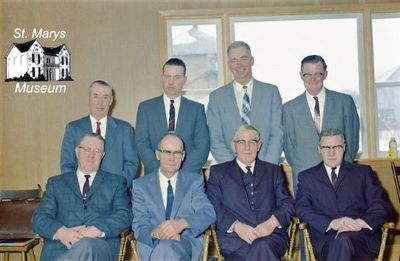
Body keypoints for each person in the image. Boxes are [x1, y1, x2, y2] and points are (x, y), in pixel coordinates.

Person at [295, 128, 392, 261]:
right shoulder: (307, 177)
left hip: (361, 238)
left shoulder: (363, 173)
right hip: (326, 241)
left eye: (337, 147)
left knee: (343, 239)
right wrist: (331, 223)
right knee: (340, 241)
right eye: (326, 147)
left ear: (344, 148)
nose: (331, 152)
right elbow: (301, 208)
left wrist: (361, 223)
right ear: (319, 149)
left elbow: (382, 206)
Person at [32, 133, 132, 261]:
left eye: (97, 151)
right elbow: (39, 218)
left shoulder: (116, 182)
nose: (91, 154)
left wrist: (97, 230)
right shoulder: (56, 183)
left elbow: (125, 215)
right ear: (77, 152)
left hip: (99, 246)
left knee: (86, 245)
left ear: (102, 155)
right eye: (87, 149)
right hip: (60, 248)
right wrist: (62, 233)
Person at [207, 125, 294, 260]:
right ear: (233, 146)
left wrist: (271, 223)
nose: (247, 147)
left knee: (263, 246)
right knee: (261, 250)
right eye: (242, 142)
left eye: (252, 142)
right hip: (235, 242)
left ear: (259, 145)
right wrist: (236, 226)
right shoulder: (219, 172)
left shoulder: (273, 171)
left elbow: (287, 204)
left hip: (271, 238)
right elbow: (212, 206)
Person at [131, 134, 216, 260]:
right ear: (158, 154)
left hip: (184, 243)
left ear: (183, 156)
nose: (172, 158)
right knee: (164, 248)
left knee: (165, 249)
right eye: (167, 152)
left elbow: (208, 213)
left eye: (177, 152)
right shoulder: (140, 186)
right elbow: (139, 224)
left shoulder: (194, 182)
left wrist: (181, 224)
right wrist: (157, 233)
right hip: (152, 245)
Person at [283, 55, 360, 191]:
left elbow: (352, 144)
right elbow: (289, 149)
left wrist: (341, 169)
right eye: (307, 74)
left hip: (341, 179)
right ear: (301, 76)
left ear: (325, 74)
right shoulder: (289, 109)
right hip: (305, 180)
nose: (312, 79)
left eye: (318, 74)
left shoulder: (344, 103)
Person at [207, 41, 283, 165]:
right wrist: (234, 170)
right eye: (234, 60)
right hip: (230, 173)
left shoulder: (271, 92)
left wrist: (266, 167)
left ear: (252, 61)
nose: (239, 65)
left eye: (244, 58)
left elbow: (277, 134)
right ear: (228, 64)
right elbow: (215, 139)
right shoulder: (217, 98)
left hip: (266, 170)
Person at [136, 58, 210, 175]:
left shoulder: (196, 109)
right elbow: (141, 143)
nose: (171, 82)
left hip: (189, 177)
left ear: (184, 80)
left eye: (177, 77)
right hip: (155, 178)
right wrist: (161, 172)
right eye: (167, 76)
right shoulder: (146, 108)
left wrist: (182, 174)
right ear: (162, 78)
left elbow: (203, 146)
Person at [60, 80, 139, 187]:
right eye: (95, 96)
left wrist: (118, 187)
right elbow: (67, 165)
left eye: (105, 97)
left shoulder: (124, 128)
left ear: (111, 101)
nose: (100, 102)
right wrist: (79, 188)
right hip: (83, 195)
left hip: (116, 194)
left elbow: (132, 163)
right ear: (89, 98)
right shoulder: (73, 128)